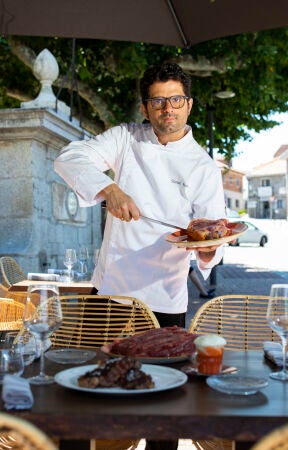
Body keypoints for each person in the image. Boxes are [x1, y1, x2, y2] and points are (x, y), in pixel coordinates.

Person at [54, 61, 225, 329]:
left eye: (176, 99)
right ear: (145, 108)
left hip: (165, 299)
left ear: (189, 105)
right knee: (97, 367)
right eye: (158, 101)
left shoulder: (204, 168)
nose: (168, 108)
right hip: (110, 290)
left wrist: (207, 250)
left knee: (163, 371)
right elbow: (68, 158)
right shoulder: (125, 138)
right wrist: (109, 189)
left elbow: (214, 236)